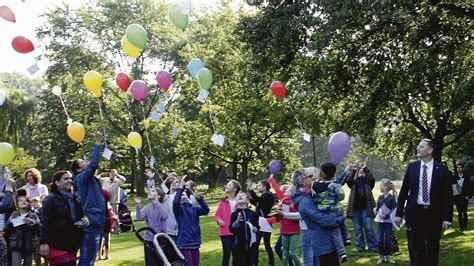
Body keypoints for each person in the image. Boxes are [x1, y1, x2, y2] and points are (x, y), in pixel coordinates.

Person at [394, 139, 453, 266]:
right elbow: (404, 191)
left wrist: (447, 218)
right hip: (415, 214)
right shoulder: (412, 167)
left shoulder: (442, 169)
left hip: (434, 215)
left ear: (430, 150)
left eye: (421, 147)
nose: (417, 149)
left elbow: (448, 195)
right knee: (416, 250)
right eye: (418, 146)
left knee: (432, 249)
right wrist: (398, 213)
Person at [292, 168, 343, 266]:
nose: (314, 178)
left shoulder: (311, 195)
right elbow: (323, 220)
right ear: (301, 182)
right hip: (324, 244)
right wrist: (340, 218)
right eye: (310, 176)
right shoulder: (305, 202)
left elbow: (330, 187)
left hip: (326, 241)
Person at [39, 171, 89, 266]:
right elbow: (44, 221)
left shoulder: (75, 199)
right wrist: (43, 242)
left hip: (73, 242)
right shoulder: (50, 199)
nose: (70, 181)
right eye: (66, 179)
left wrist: (85, 219)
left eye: (70, 178)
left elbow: (80, 215)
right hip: (57, 243)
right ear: (57, 182)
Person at [70, 131, 105, 265]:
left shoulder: (85, 179)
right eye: (83, 162)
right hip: (91, 221)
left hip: (95, 220)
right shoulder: (82, 178)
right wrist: (97, 142)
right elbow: (93, 165)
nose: (86, 161)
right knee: (86, 259)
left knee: (89, 258)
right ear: (78, 169)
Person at [311, 162, 347, 262]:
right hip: (333, 210)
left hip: (322, 210)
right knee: (337, 229)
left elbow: (314, 196)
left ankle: (344, 243)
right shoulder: (332, 185)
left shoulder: (314, 184)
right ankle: (343, 248)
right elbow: (341, 196)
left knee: (333, 230)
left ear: (322, 173)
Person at [173, 179, 210, 266]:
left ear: (187, 195)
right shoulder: (178, 209)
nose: (182, 194)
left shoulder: (194, 208)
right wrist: (180, 189)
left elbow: (206, 210)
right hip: (184, 243)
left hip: (195, 242)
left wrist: (199, 197)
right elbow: (175, 203)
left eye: (183, 193)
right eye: (180, 194)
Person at [346, 164, 378, 252]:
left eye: (362, 171)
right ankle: (360, 248)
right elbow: (348, 180)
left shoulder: (368, 183)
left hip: (366, 208)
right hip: (355, 209)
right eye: (359, 171)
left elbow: (372, 179)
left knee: (368, 228)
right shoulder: (353, 184)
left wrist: (366, 168)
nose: (360, 172)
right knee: (358, 229)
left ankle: (373, 247)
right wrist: (353, 171)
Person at [5, 191, 40, 266]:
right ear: (17, 204)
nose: (23, 201)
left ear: (28, 204)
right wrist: (11, 221)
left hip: (30, 245)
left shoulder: (33, 215)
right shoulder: (14, 215)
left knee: (28, 264)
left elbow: (39, 226)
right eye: (21, 201)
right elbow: (6, 228)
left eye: (25, 201)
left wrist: (33, 222)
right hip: (16, 245)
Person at [134, 188, 168, 266]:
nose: (149, 192)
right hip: (148, 239)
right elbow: (139, 218)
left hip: (160, 239)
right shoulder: (147, 207)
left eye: (153, 191)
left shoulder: (163, 206)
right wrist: (138, 205)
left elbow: (165, 215)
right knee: (149, 262)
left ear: (159, 196)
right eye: (149, 191)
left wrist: (156, 204)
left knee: (160, 262)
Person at [269, 185, 301, 266]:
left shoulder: (296, 202)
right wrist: (274, 216)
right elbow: (280, 216)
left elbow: (298, 217)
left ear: (293, 193)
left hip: (294, 231)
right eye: (286, 190)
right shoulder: (282, 201)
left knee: (292, 254)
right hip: (284, 230)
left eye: (289, 190)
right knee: (284, 254)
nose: (286, 191)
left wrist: (289, 211)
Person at [246, 178, 275, 266]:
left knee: (267, 245)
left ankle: (271, 262)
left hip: (265, 222)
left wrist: (250, 189)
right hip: (259, 222)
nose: (258, 187)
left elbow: (258, 200)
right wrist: (249, 200)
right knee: (256, 244)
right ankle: (255, 262)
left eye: (259, 185)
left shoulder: (267, 194)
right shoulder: (264, 196)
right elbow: (258, 204)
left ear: (264, 187)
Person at [214, 179, 240, 266]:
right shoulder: (223, 201)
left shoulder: (240, 201)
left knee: (236, 254)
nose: (226, 186)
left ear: (235, 189)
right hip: (225, 231)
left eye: (229, 185)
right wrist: (219, 220)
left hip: (237, 231)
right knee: (226, 253)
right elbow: (217, 214)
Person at [229, 191, 259, 266]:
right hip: (237, 245)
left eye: (242, 195)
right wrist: (236, 222)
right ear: (236, 201)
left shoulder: (253, 214)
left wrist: (256, 228)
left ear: (247, 200)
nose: (240, 196)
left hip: (251, 245)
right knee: (238, 263)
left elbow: (257, 226)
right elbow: (231, 229)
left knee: (250, 262)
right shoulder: (234, 214)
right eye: (238, 196)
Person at [373, 179, 397, 264]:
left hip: (388, 222)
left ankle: (389, 256)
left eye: (381, 185)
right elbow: (377, 207)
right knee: (379, 239)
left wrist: (386, 216)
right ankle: (381, 257)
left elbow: (394, 210)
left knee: (388, 239)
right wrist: (375, 210)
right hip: (380, 221)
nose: (380, 187)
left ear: (386, 187)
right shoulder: (380, 197)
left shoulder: (392, 198)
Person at [101, 169, 126, 234]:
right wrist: (102, 174)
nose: (112, 174)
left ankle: (117, 229)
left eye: (113, 173)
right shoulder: (105, 179)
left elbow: (123, 179)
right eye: (110, 172)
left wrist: (117, 174)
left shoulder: (117, 181)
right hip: (105, 201)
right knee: (105, 216)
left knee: (115, 215)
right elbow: (96, 178)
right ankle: (107, 229)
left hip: (114, 201)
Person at [452, 163, 470, 231]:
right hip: (457, 197)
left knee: (464, 212)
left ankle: (465, 225)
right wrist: (455, 197)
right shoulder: (454, 177)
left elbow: (469, 187)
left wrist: (468, 196)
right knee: (459, 212)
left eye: (460, 167)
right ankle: (461, 226)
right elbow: (453, 187)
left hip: (465, 197)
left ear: (463, 168)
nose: (458, 169)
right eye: (457, 168)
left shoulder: (467, 177)